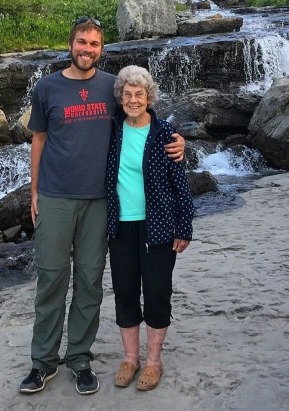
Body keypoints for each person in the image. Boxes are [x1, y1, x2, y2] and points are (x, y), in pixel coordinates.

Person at [19, 18, 185, 396]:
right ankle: (42, 362)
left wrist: (177, 141)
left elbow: (142, 114)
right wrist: (34, 191)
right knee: (51, 280)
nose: (87, 49)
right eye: (82, 42)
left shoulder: (112, 87)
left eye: (95, 44)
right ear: (70, 43)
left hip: (100, 203)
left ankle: (79, 359)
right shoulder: (46, 88)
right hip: (57, 197)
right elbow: (39, 141)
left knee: (90, 284)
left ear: (101, 49)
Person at [105, 65, 194, 392]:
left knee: (157, 293)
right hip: (120, 226)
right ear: (120, 98)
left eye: (139, 94)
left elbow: (181, 186)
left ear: (149, 96)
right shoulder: (112, 130)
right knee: (125, 291)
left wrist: (184, 227)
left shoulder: (165, 134)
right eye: (127, 94)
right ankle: (131, 358)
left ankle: (154, 360)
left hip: (158, 227)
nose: (132, 100)